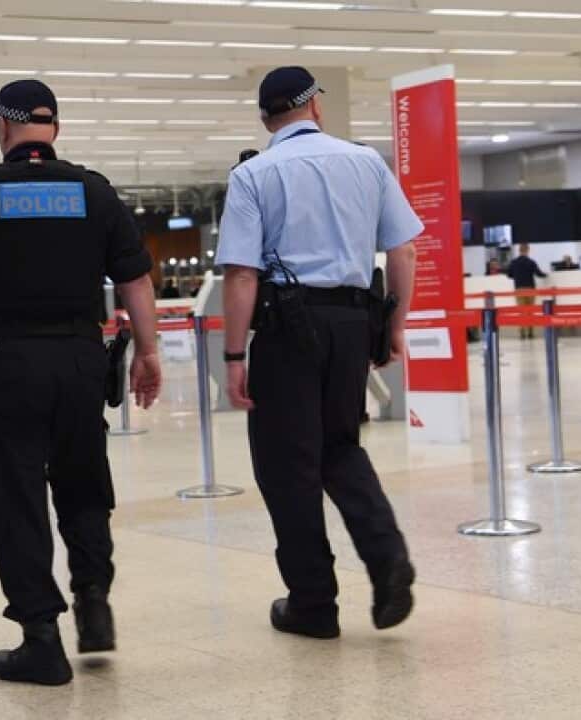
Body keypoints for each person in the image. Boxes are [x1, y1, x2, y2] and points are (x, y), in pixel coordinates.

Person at [0, 79, 162, 686]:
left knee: (15, 498)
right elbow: (136, 282)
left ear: (4, 128)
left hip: (8, 367)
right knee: (83, 485)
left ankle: (41, 638)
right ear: (55, 130)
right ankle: (93, 600)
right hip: (79, 365)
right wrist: (148, 351)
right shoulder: (94, 193)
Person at [217, 66, 421, 641]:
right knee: (339, 446)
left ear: (265, 119)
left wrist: (234, 357)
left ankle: (313, 603)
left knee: (288, 465)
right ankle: (387, 559)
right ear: (315, 108)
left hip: (288, 328)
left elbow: (240, 274)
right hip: (353, 323)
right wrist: (394, 326)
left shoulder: (254, 174)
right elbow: (403, 251)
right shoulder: (365, 162)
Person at [507, 243, 546, 340]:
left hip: (519, 289)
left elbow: (509, 274)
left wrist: (517, 276)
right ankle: (530, 333)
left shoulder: (514, 262)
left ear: (519, 250)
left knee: (521, 311)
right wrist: (546, 275)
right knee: (530, 311)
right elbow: (539, 274)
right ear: (527, 250)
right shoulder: (531, 262)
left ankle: (522, 333)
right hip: (530, 289)